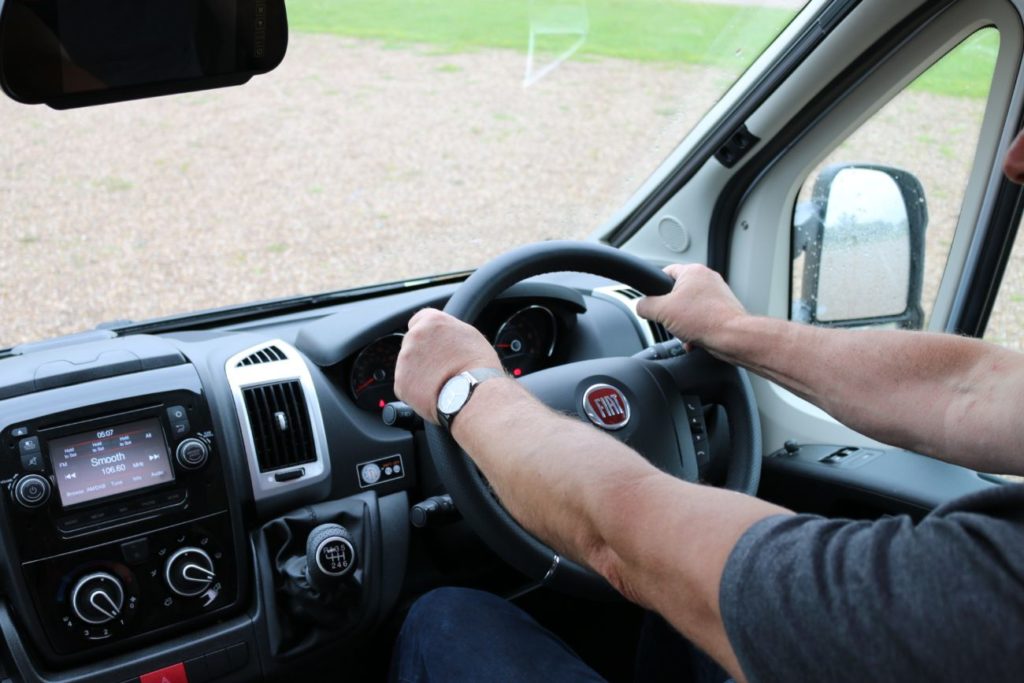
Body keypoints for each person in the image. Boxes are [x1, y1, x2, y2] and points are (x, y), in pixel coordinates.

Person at [387, 131, 1024, 682]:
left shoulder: (988, 597)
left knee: (445, 620)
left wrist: (464, 389)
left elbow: (624, 537)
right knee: (671, 624)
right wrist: (730, 330)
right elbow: (969, 389)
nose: (1015, 161)